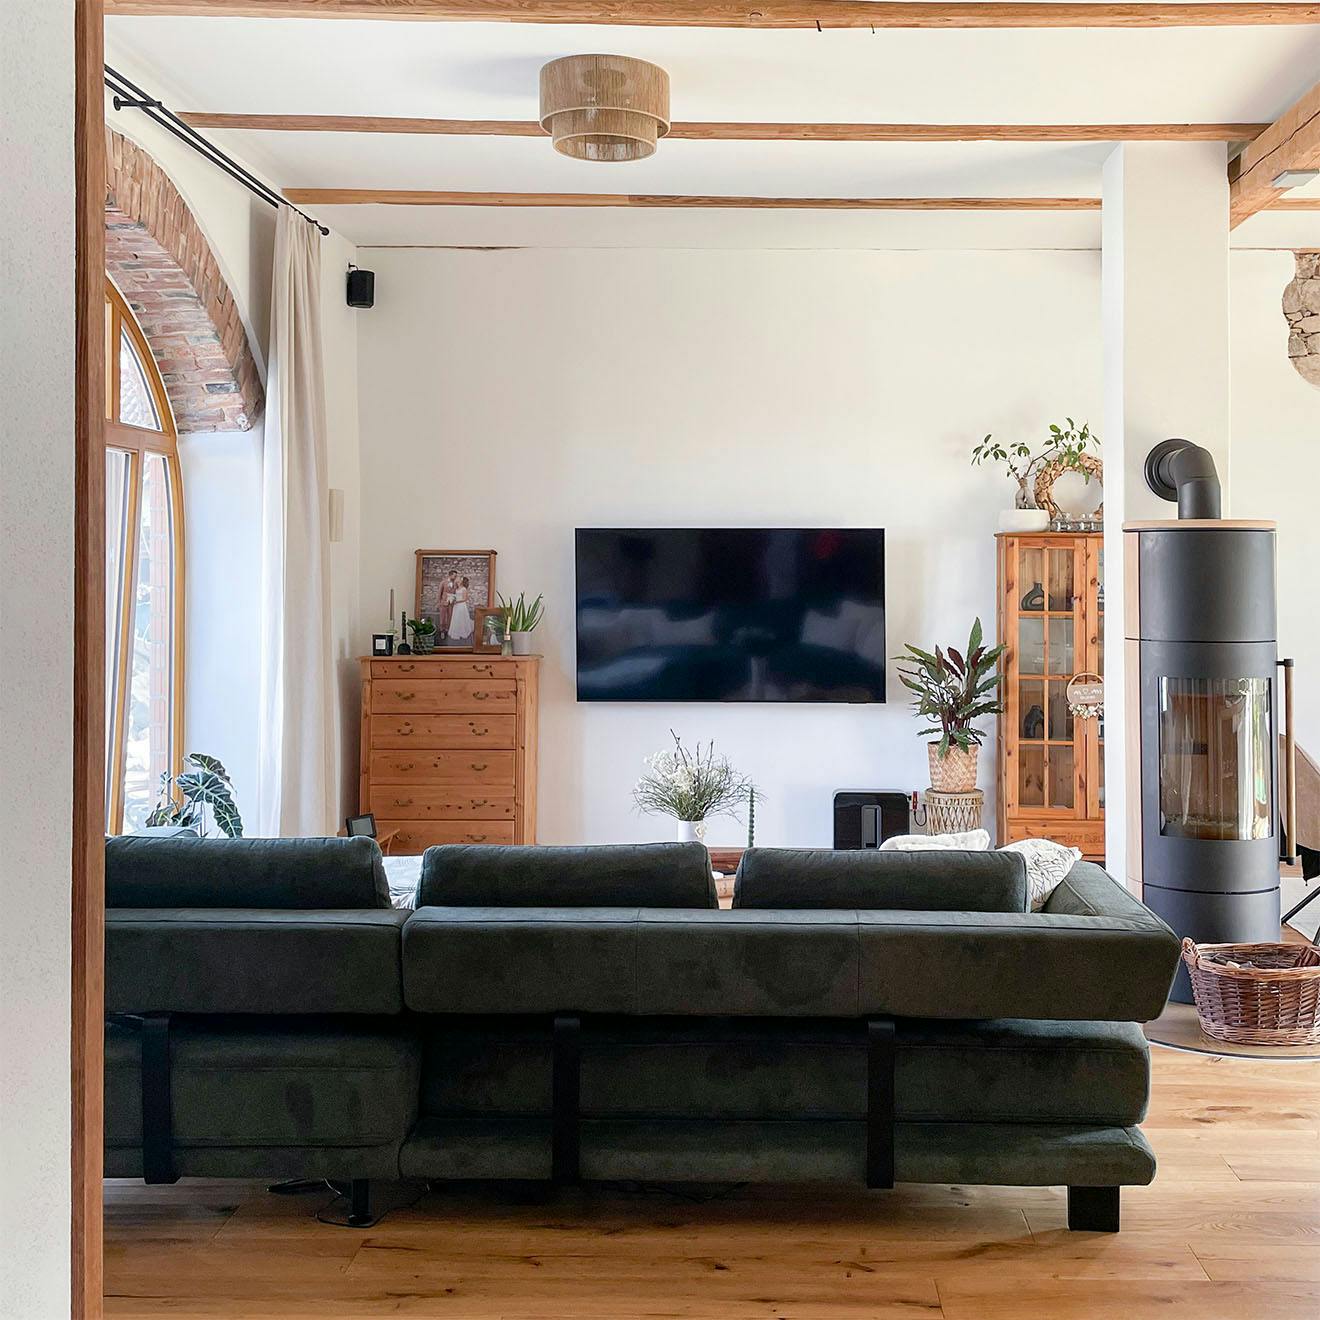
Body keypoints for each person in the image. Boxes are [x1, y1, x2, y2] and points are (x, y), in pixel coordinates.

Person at [448, 576, 474, 643]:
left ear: (462, 582)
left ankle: (462, 632)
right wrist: (452, 599)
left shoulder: (464, 589)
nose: (458, 581)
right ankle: (456, 631)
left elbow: (465, 599)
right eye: (458, 580)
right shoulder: (457, 589)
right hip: (456, 606)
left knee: (461, 618)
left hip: (461, 605)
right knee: (456, 618)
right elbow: (455, 596)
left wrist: (457, 601)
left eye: (459, 580)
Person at [436, 569, 458, 638]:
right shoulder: (443, 582)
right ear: (450, 575)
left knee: (450, 617)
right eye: (454, 576)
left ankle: (447, 630)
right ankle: (442, 631)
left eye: (456, 576)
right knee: (442, 617)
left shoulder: (455, 583)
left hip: (451, 603)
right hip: (443, 602)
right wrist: (439, 602)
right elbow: (439, 593)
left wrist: (454, 599)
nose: (455, 577)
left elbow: (456, 593)